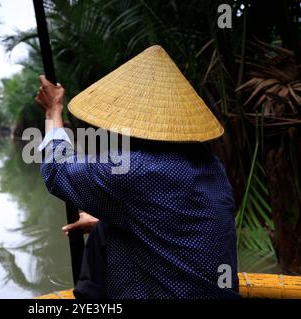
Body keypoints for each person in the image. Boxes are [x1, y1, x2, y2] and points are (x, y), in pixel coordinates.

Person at [35, 45, 240, 299]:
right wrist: (104, 219)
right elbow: (173, 219)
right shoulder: (212, 165)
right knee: (105, 229)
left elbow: (57, 169)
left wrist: (53, 110)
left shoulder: (133, 170)